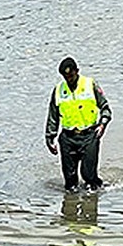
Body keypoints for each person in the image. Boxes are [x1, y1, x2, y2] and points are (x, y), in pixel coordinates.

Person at [45, 57, 111, 190]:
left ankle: (95, 197)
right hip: (68, 138)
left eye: (71, 75)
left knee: (88, 176)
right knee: (70, 182)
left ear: (77, 71)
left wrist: (102, 125)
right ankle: (70, 206)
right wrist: (50, 137)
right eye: (66, 76)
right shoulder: (58, 90)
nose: (69, 79)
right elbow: (53, 116)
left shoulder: (90, 84)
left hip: (89, 135)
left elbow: (105, 108)